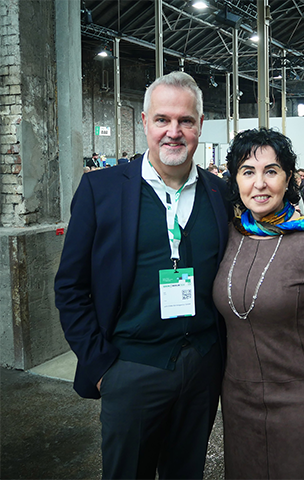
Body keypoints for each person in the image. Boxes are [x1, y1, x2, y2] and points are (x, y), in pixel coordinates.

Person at [54, 71, 232, 480]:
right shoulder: (101, 190)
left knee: (186, 472)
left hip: (203, 366)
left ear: (200, 125)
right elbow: (70, 286)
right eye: (162, 120)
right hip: (129, 367)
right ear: (145, 123)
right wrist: (101, 366)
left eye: (186, 121)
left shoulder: (218, 193)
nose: (174, 132)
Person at [213, 127, 304, 480]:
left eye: (270, 171)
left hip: (300, 403)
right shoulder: (229, 236)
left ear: (288, 178)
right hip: (238, 399)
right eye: (248, 171)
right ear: (236, 179)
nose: (259, 183)